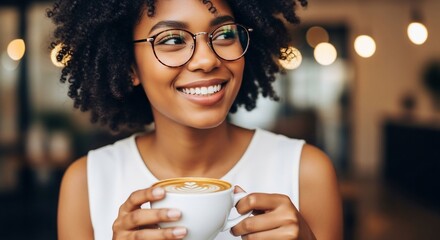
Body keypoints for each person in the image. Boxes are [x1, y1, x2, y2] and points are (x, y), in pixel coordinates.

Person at [48, 0, 342, 239]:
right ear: (128, 66)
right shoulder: (86, 183)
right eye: (173, 39)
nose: (207, 60)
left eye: (225, 34)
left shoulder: (306, 172)